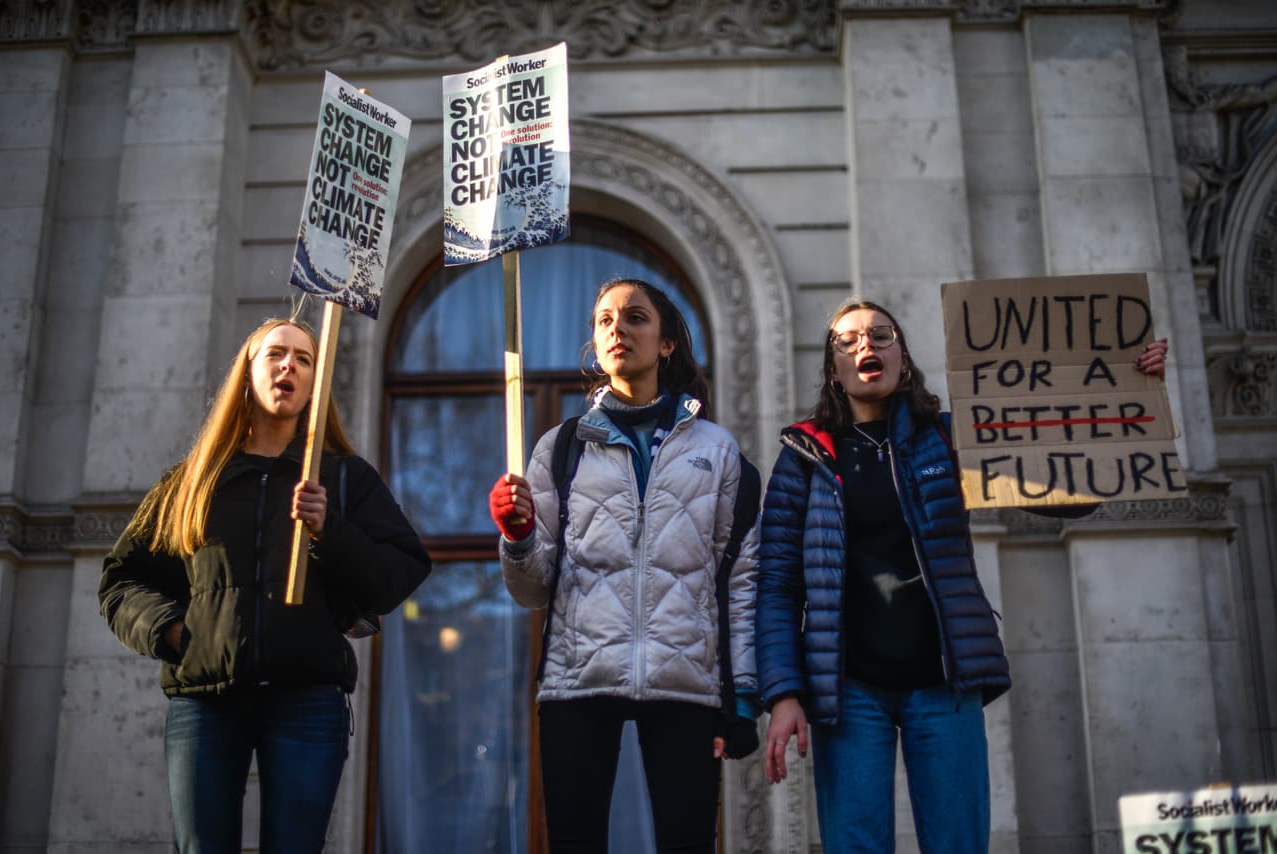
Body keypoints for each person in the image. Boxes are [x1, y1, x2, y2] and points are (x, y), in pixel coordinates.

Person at [755, 298, 1168, 854]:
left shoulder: (950, 440)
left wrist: (1127, 394)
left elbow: (1076, 497)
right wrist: (783, 693)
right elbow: (777, 585)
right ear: (833, 369)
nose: (866, 347)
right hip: (848, 692)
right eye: (847, 341)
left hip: (944, 684)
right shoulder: (804, 455)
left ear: (903, 358)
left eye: (882, 335)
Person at [99, 317, 431, 854]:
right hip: (205, 704)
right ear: (247, 373)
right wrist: (175, 632)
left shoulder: (343, 478)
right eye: (277, 354)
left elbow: (401, 572)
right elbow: (120, 580)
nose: (289, 367)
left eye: (305, 360)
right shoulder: (193, 481)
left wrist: (332, 530)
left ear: (316, 383)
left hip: (307, 702)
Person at [488, 278, 760, 853]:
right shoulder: (558, 448)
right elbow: (533, 589)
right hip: (577, 681)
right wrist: (516, 538)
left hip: (687, 681)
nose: (619, 330)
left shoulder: (716, 450)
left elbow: (739, 584)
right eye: (606, 320)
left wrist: (742, 697)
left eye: (636, 318)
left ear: (666, 344)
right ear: (595, 340)